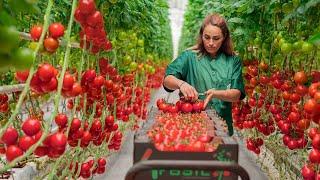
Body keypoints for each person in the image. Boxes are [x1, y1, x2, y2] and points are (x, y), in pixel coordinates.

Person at [163, 13, 246, 136]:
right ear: (201, 35)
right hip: (191, 124)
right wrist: (181, 84)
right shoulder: (189, 56)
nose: (210, 43)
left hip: (221, 127)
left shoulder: (233, 60)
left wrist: (215, 93)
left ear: (224, 37)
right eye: (206, 37)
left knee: (221, 153)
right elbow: (167, 80)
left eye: (216, 38)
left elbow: (236, 94)